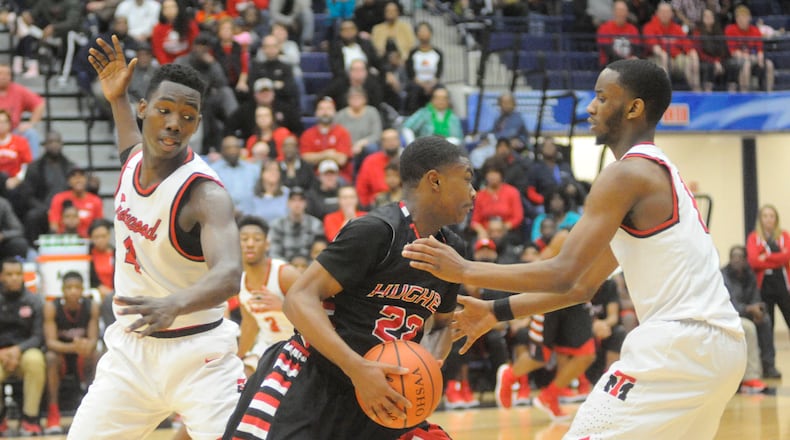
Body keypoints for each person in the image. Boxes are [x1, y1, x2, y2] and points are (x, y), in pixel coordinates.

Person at [403, 59, 746, 438]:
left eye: (601, 97)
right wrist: (493, 312)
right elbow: (580, 285)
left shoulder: (626, 174)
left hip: (681, 343)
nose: (590, 107)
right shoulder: (658, 170)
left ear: (634, 108)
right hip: (720, 347)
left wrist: (464, 269)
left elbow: (562, 270)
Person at [224, 135, 474, 439]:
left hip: (383, 389)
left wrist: (426, 366)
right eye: (466, 180)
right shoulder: (377, 232)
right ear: (434, 181)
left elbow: (440, 326)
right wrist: (356, 368)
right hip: (317, 378)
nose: (473, 192)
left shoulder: (453, 249)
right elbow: (299, 300)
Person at [67, 36, 246, 439]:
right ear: (144, 109)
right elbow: (130, 138)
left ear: (197, 123)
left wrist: (174, 304)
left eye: (187, 116)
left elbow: (230, 274)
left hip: (200, 356)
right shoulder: (133, 158)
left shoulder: (206, 194)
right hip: (131, 354)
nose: (173, 123)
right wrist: (117, 99)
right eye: (164, 110)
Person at [236, 215, 300, 377]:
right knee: (241, 375)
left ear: (267, 243)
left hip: (298, 343)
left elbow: (318, 312)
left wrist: (283, 306)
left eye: (257, 239)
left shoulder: (284, 274)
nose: (250, 244)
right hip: (267, 345)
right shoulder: (241, 283)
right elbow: (249, 325)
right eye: (244, 239)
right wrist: (237, 357)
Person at [43, 271, 100, 435]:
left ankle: (95, 411)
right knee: (50, 358)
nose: (73, 291)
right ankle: (53, 413)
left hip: (83, 356)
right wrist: (75, 347)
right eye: (69, 287)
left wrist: (85, 346)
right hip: (62, 356)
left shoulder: (91, 306)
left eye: (77, 287)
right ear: (62, 290)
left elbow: (93, 340)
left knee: (97, 355)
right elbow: (51, 343)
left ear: (83, 290)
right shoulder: (51, 307)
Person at [0, 258, 46, 436]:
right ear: (2, 276)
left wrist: (17, 350)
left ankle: (30, 418)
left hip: (25, 352)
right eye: (9, 274)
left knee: (36, 360)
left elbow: (38, 337)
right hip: (1, 354)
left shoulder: (33, 300)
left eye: (18, 274)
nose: (14, 278)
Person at [722, 245, 780, 382]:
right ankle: (750, 375)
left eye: (739, 257)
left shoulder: (749, 274)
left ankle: (768, 366)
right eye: (733, 257)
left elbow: (756, 297)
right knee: (749, 326)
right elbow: (731, 304)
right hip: (731, 315)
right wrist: (749, 309)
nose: (736, 260)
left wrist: (758, 311)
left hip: (747, 312)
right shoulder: (724, 275)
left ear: (745, 260)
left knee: (765, 320)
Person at [746, 204, 790, 353]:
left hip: (782, 283)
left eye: (772, 216)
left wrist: (766, 257)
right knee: (768, 321)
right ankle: (768, 359)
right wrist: (774, 259)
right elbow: (753, 261)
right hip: (764, 284)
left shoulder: (784, 236)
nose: (768, 219)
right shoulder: (754, 237)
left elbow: (786, 257)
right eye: (765, 216)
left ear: (776, 219)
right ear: (760, 219)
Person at [724, 5, 775, 92]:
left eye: (744, 17)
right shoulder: (730, 29)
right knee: (746, 65)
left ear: (749, 18)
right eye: (740, 18)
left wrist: (760, 57)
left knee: (769, 64)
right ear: (736, 19)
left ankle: (769, 92)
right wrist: (747, 57)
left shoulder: (755, 30)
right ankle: (745, 94)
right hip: (736, 59)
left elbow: (760, 49)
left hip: (753, 58)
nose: (742, 20)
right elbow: (733, 52)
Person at [47, 168, 104, 238]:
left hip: (87, 240)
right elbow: (54, 224)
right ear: (68, 181)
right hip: (64, 239)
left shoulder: (96, 200)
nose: (78, 180)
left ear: (86, 180)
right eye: (74, 177)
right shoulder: (59, 198)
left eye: (81, 176)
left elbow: (99, 226)